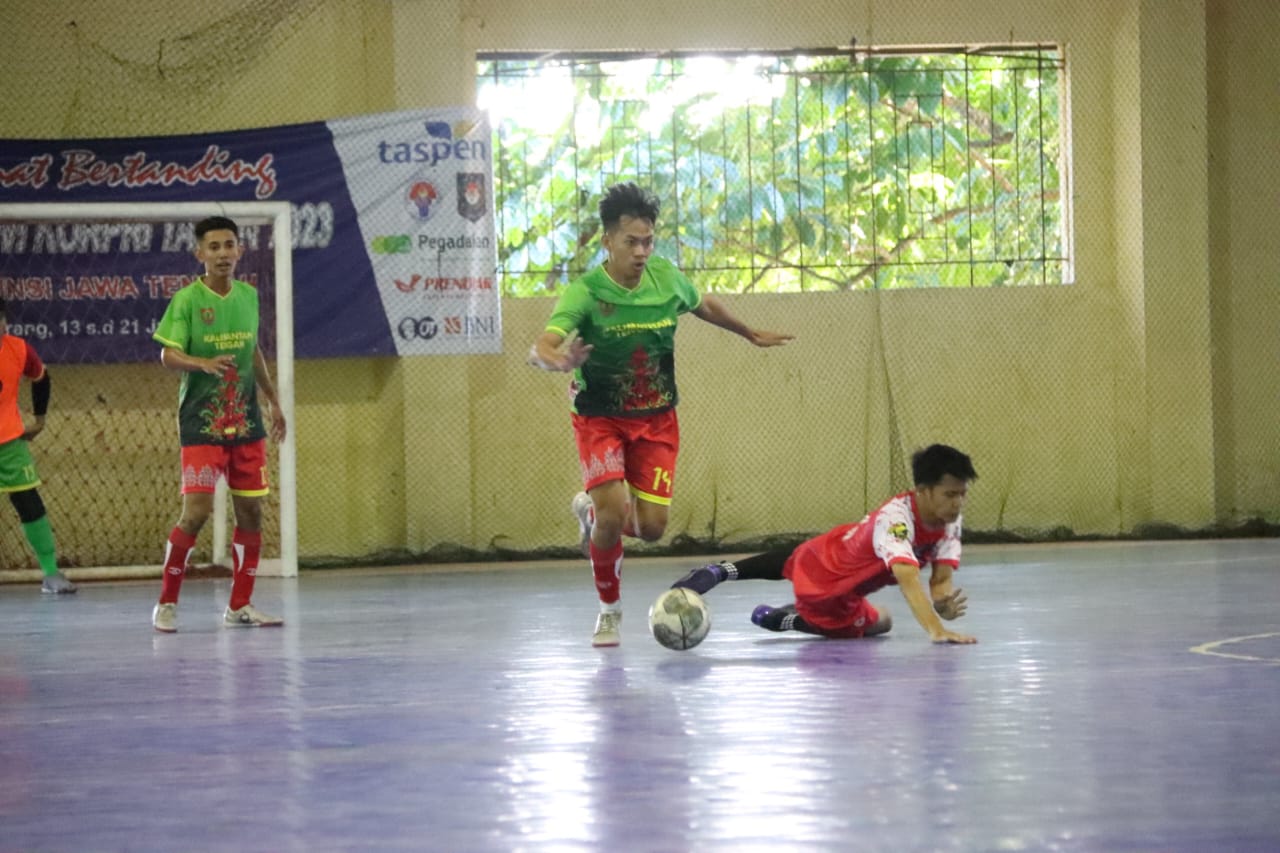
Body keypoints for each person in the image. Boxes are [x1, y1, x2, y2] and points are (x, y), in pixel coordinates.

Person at [528, 182, 793, 647]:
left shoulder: (666, 278)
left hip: (656, 419)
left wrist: (746, 331)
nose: (642, 250)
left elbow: (701, 303)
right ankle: (609, 608)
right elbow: (544, 345)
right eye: (631, 241)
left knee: (651, 530)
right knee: (614, 516)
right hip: (600, 419)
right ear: (608, 240)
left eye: (648, 241)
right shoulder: (585, 293)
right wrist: (557, 360)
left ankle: (592, 513)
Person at [671, 444, 979, 644]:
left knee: (882, 618)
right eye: (950, 495)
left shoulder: (949, 521)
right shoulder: (897, 521)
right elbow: (909, 582)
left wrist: (943, 604)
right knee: (858, 627)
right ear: (923, 491)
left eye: (962, 494)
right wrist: (936, 630)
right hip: (828, 588)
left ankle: (718, 572)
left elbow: (941, 580)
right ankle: (788, 619)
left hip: (833, 554)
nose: (958, 503)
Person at [149, 215, 286, 633]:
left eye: (230, 245)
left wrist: (273, 400)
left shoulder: (247, 295)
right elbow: (167, 355)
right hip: (201, 424)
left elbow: (253, 350)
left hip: (245, 423)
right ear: (200, 254)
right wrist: (202, 363)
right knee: (197, 512)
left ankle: (240, 605)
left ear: (239, 250)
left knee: (251, 512)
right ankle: (166, 603)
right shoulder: (187, 300)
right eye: (214, 247)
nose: (223, 253)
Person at [0, 301, 76, 594]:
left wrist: (40, 419)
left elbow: (41, 378)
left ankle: (50, 573)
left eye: (2, 319)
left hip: (9, 443)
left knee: (29, 503)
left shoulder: (17, 349)